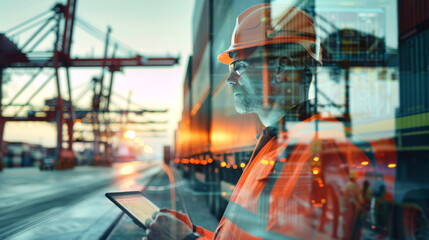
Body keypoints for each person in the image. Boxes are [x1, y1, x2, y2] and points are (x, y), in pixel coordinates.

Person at [145, 3, 385, 240]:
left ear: (282, 68)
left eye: (238, 66)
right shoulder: (274, 145)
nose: (230, 79)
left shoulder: (322, 152)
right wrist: (190, 233)